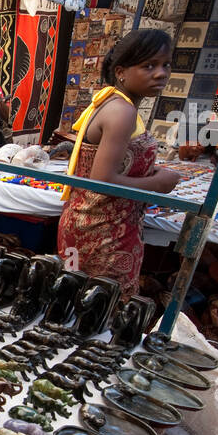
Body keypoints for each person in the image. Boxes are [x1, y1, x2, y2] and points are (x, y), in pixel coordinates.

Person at [56, 28, 181, 299]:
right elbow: (101, 179)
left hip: (85, 225)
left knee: (74, 293)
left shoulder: (115, 104)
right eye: (148, 66)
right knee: (102, 304)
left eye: (165, 65)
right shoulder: (121, 111)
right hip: (104, 235)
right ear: (122, 71)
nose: (160, 73)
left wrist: (147, 171)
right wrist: (157, 183)